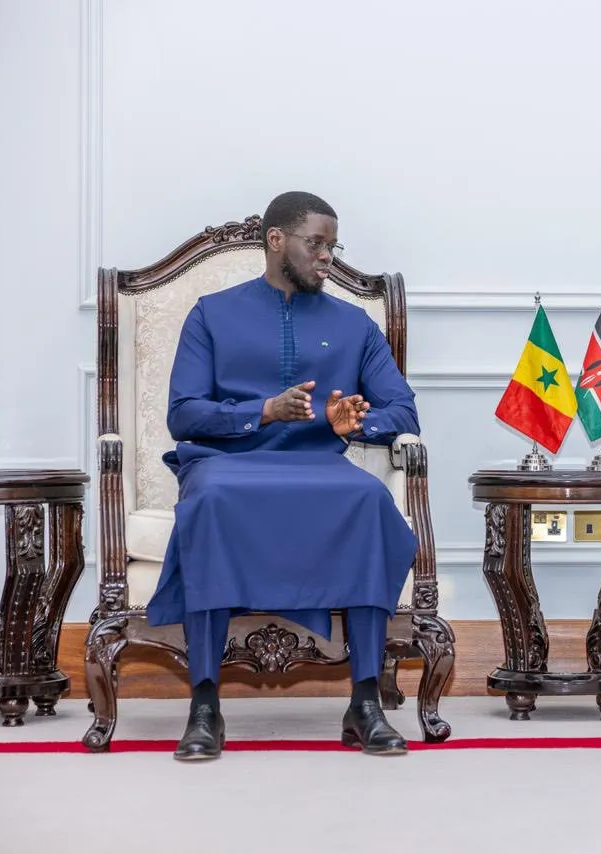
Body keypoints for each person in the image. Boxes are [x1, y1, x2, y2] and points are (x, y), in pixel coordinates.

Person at [148, 191, 419, 761]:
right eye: (315, 243)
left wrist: (353, 424)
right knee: (212, 500)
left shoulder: (355, 325)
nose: (327, 257)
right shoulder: (212, 313)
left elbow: (402, 410)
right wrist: (262, 412)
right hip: (226, 466)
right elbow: (184, 415)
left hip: (318, 466)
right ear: (276, 241)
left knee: (369, 500)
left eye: (332, 245)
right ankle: (204, 706)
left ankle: (365, 701)